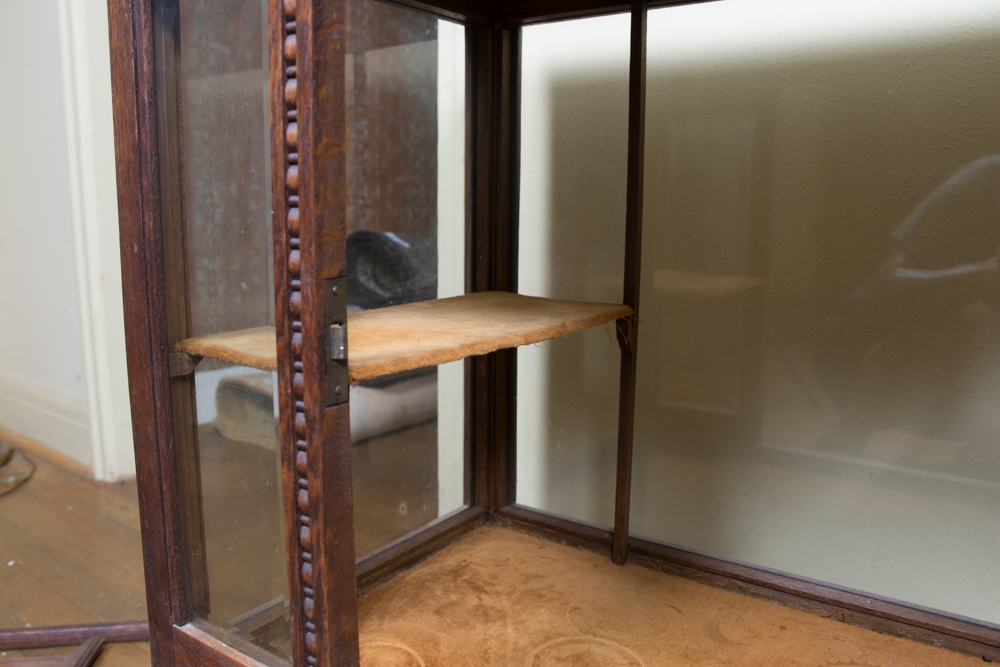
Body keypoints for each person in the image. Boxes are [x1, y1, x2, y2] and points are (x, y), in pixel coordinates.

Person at [814, 154, 1000, 449]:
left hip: (971, 384)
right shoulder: (986, 183)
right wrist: (982, 276)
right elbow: (877, 296)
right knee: (977, 317)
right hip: (863, 355)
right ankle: (846, 437)